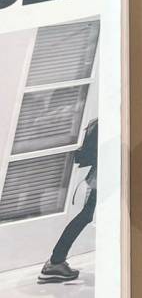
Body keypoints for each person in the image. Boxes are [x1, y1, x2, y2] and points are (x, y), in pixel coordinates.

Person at [38, 118, 98, 284]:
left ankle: (56, 261)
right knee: (86, 216)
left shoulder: (98, 122)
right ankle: (55, 262)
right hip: (105, 176)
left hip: (100, 175)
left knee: (86, 216)